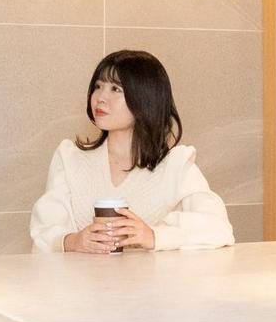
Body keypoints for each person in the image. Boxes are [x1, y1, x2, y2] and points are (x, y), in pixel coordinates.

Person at [28, 49, 235, 253]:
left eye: (115, 89)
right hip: (80, 276)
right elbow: (43, 231)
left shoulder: (175, 165)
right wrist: (73, 242)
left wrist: (154, 236)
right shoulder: (70, 158)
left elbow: (219, 229)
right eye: (98, 86)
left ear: (145, 99)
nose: (100, 98)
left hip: (153, 277)